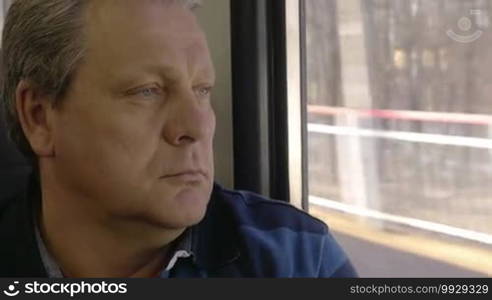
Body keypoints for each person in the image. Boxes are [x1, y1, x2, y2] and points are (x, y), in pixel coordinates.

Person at [0, 0, 357, 278]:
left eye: (201, 90)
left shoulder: (297, 259)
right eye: (147, 91)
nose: (197, 127)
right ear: (39, 117)